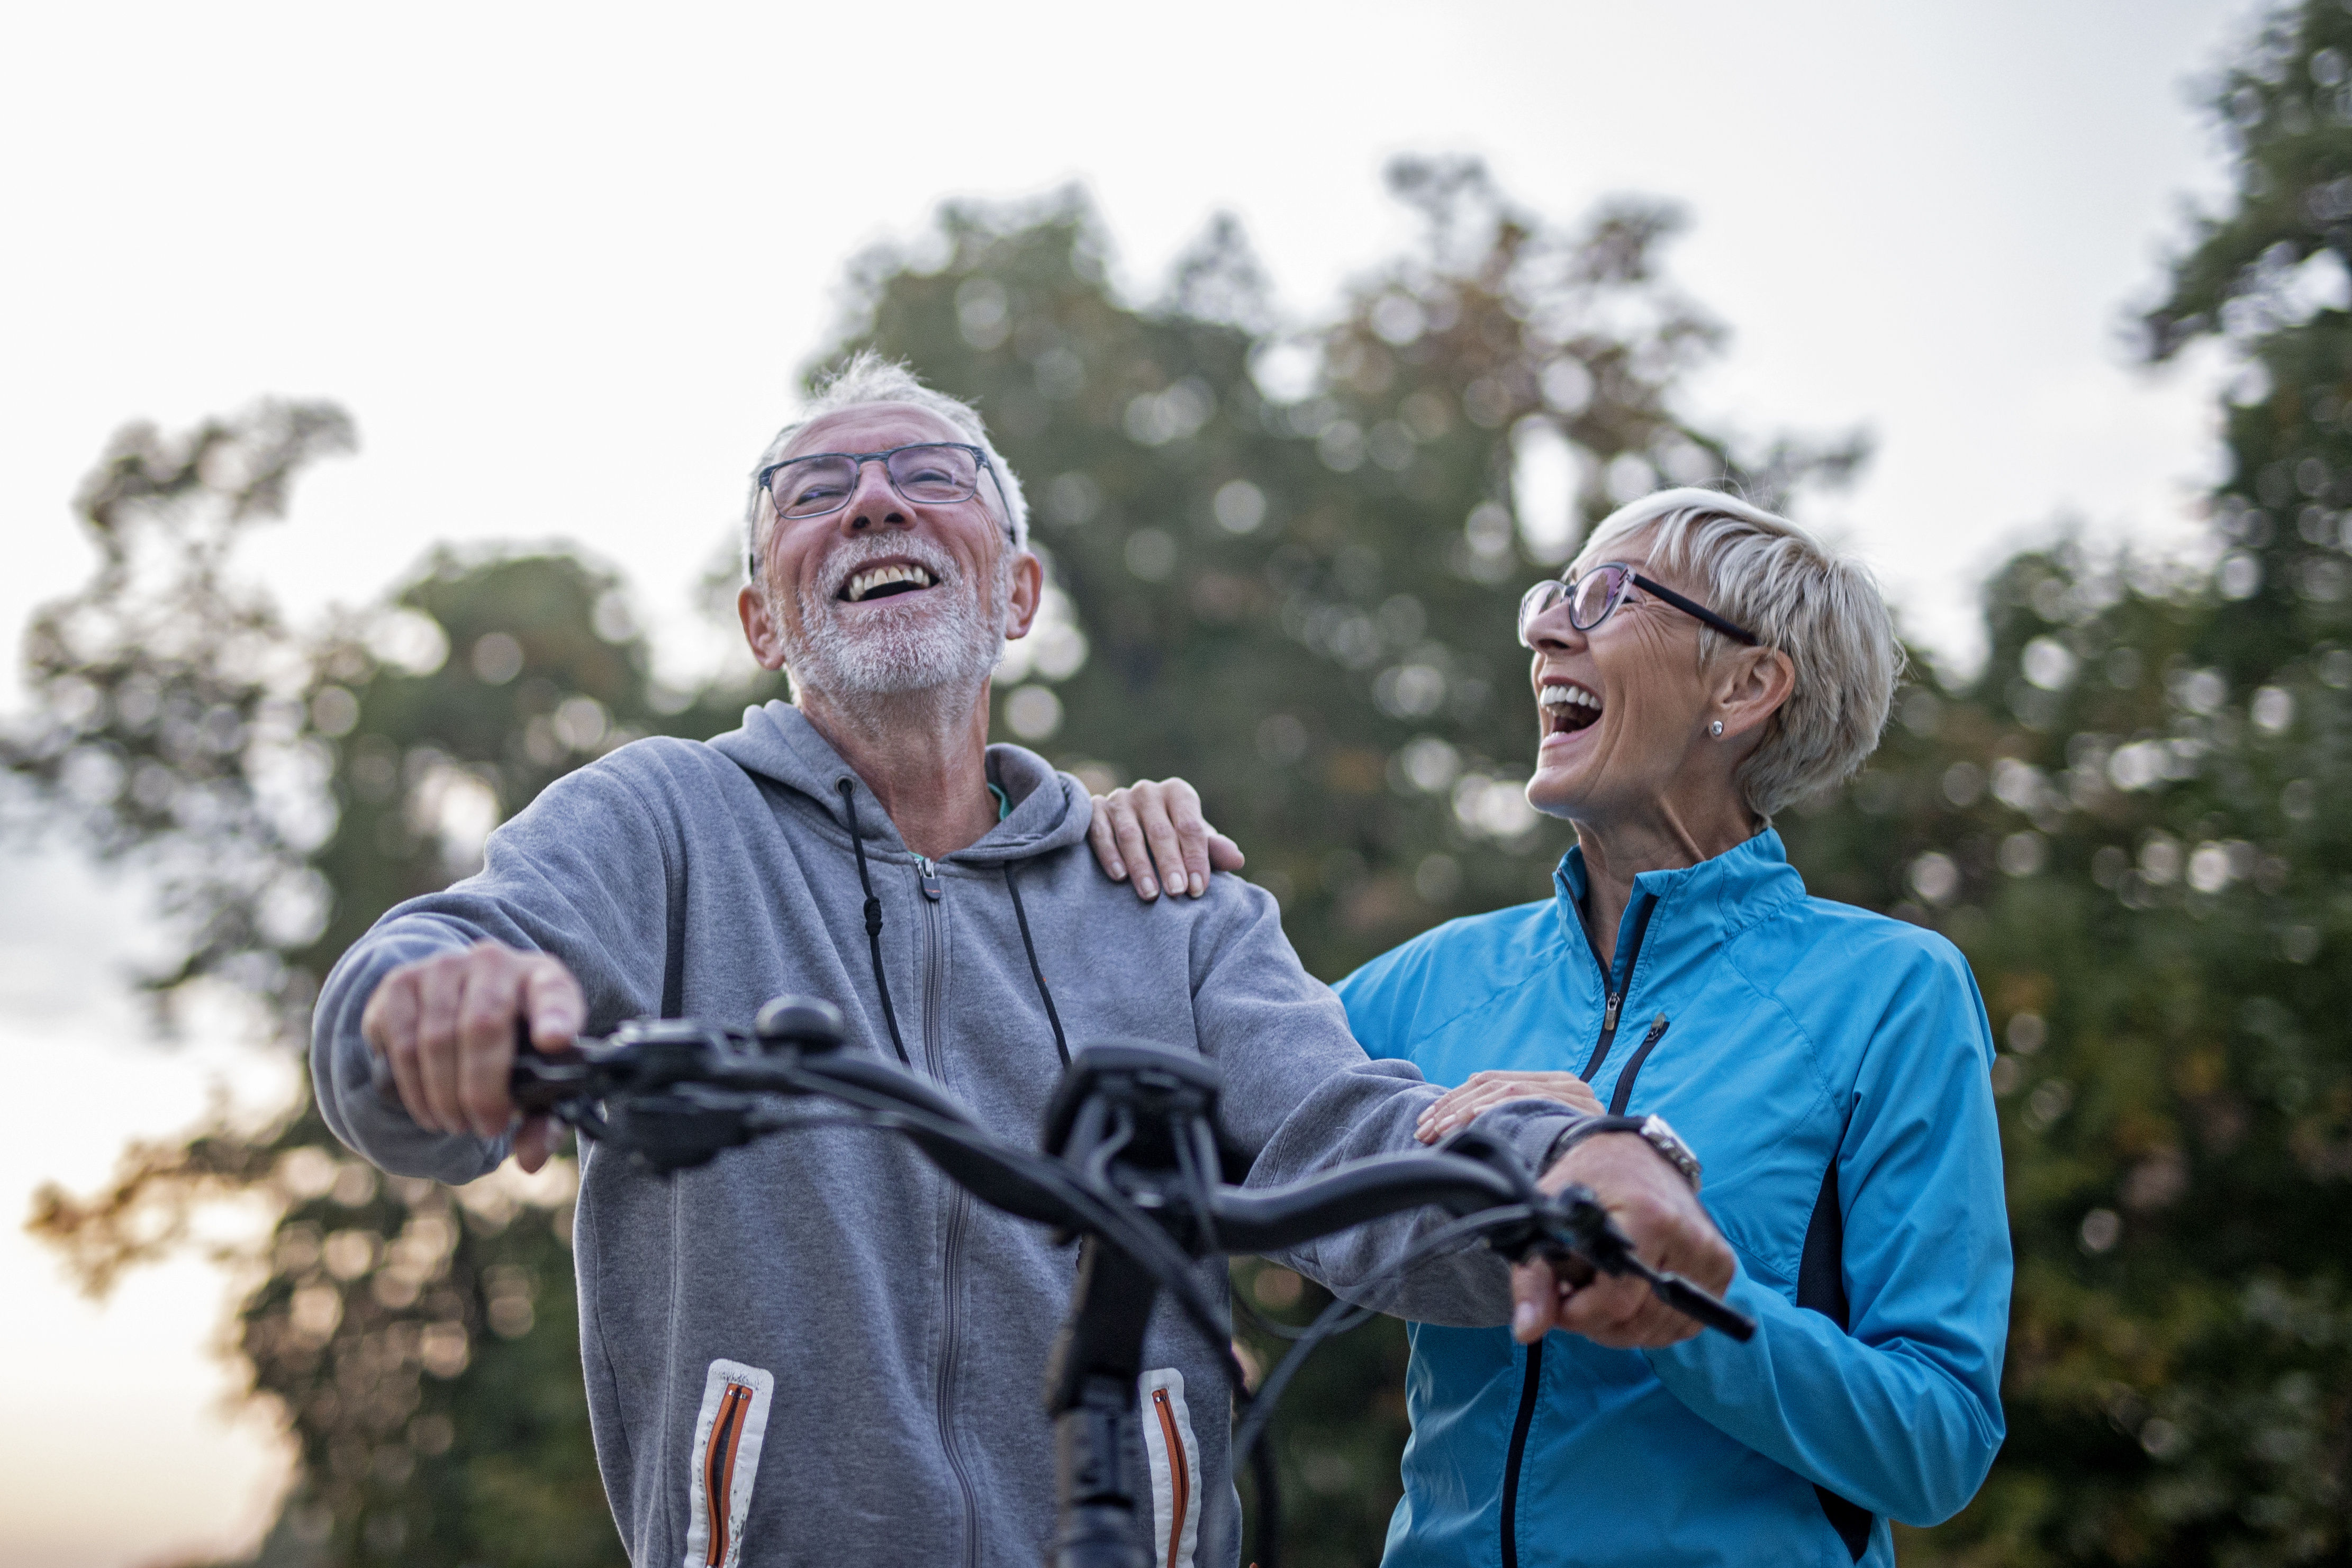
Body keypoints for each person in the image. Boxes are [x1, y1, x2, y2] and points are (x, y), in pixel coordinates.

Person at [311, 356, 1733, 1568]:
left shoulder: (1165, 896)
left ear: (1018, 590)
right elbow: (433, 967)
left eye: (931, 476)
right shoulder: (665, 819)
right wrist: (430, 1005)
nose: (873, 500)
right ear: (761, 622)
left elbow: (1348, 1133)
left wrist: (1578, 1161)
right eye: (814, 492)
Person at [1090, 489, 2011, 1567]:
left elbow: (1936, 1445)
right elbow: (1161, 1111)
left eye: (1606, 596)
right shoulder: (1431, 982)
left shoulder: (1892, 993)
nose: (1542, 627)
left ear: (1747, 684)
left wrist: (1688, 1291)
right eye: (1551, 594)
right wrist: (1126, 867)